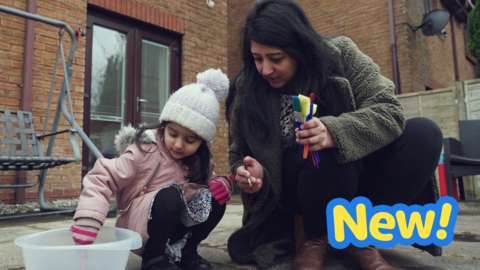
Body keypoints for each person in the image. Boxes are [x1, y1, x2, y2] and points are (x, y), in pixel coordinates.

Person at [225, 1, 443, 269]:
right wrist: (250, 171)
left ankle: (356, 237)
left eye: (276, 58)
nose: (265, 70)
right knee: (320, 149)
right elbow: (237, 152)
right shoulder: (247, 86)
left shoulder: (342, 54)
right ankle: (315, 238)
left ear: (299, 48)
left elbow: (389, 110)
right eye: (257, 58)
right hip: (293, 191)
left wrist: (333, 132)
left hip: (356, 180)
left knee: (426, 134)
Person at [71, 69, 233, 270]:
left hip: (176, 230)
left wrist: (222, 184)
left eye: (190, 140)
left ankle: (186, 251)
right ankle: (154, 258)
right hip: (141, 227)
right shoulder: (144, 150)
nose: (179, 145)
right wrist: (89, 218)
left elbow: (209, 181)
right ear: (164, 125)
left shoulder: (199, 160)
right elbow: (102, 177)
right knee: (171, 195)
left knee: (216, 198)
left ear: (202, 142)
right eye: (173, 133)